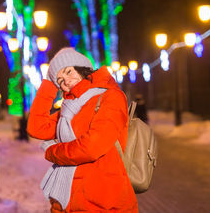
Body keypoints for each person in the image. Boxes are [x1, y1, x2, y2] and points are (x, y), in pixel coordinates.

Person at [27, 47, 138, 212]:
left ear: (82, 67)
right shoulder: (68, 111)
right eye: (60, 81)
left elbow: (92, 146)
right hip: (68, 201)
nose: (66, 81)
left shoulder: (111, 97)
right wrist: (49, 83)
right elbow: (36, 127)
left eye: (69, 72)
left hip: (102, 201)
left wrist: (54, 152)